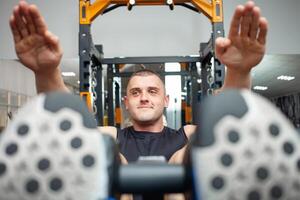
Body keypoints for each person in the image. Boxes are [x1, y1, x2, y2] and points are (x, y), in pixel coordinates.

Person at [9, 0, 268, 165]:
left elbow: (228, 127)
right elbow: (65, 130)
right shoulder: (111, 136)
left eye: (152, 91)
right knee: (111, 156)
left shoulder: (188, 135)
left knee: (186, 157)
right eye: (135, 92)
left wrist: (239, 71)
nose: (144, 97)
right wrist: (46, 72)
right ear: (126, 102)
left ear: (166, 100)